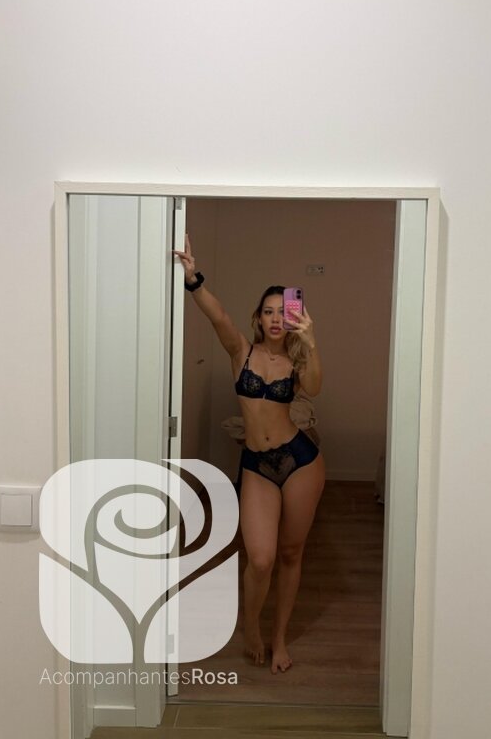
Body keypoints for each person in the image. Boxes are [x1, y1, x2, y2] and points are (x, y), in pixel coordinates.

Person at [174, 235, 325, 674]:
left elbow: (315, 388)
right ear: (258, 318)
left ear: (293, 318)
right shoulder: (240, 351)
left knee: (291, 553)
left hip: (301, 462)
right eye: (269, 311)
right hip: (257, 465)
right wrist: (193, 278)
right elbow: (217, 314)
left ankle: (279, 637)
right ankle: (252, 625)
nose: (277, 318)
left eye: (284, 311)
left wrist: (311, 341)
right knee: (260, 558)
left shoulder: (297, 359)